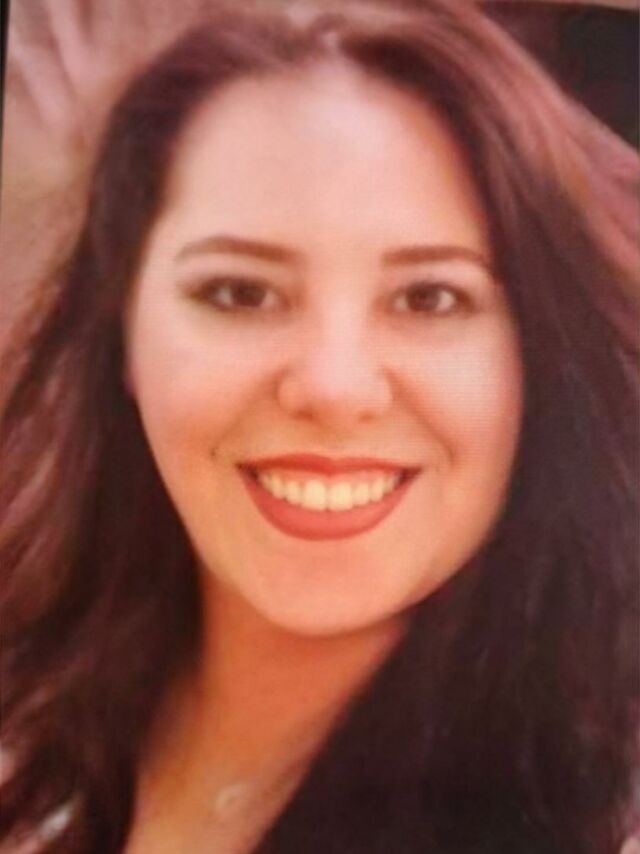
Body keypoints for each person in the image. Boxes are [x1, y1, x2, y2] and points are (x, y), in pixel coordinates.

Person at [1, 0, 638, 852]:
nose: (334, 388)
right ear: (122, 333)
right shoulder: (35, 718)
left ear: (536, 360)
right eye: (239, 292)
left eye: (429, 298)